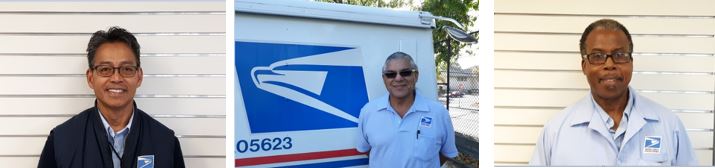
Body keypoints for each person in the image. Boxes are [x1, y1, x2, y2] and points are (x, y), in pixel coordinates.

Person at [529, 19, 698, 166]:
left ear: (631, 62)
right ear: (584, 66)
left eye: (619, 54)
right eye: (597, 56)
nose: (609, 64)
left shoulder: (668, 125)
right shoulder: (555, 131)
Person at [38, 27, 185, 168]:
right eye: (105, 69)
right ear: (90, 78)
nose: (116, 78)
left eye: (127, 69)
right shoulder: (61, 141)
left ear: (139, 77)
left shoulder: (165, 142)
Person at [356, 52, 458, 167]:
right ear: (384, 79)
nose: (398, 78)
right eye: (390, 74)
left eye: (405, 72)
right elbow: (367, 150)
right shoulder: (368, 112)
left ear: (416, 76)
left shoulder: (439, 113)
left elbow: (447, 153)